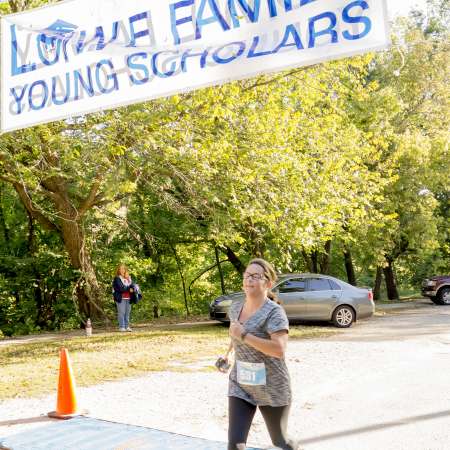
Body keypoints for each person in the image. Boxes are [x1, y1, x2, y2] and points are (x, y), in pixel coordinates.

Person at [221, 258, 298, 450]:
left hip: (271, 386)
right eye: (247, 275)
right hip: (241, 384)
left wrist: (245, 335)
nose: (249, 279)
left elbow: (279, 349)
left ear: (268, 283)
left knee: (280, 441)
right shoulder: (236, 308)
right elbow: (235, 333)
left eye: (256, 276)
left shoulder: (275, 313)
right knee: (235, 445)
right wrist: (228, 354)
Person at [112, 264, 134, 332]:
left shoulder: (128, 278)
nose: (122, 270)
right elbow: (121, 288)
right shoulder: (117, 278)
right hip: (120, 298)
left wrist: (128, 280)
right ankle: (122, 327)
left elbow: (133, 286)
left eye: (123, 269)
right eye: (121, 269)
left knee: (127, 312)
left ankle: (127, 326)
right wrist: (129, 289)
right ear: (118, 270)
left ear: (125, 270)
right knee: (121, 312)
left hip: (128, 298)